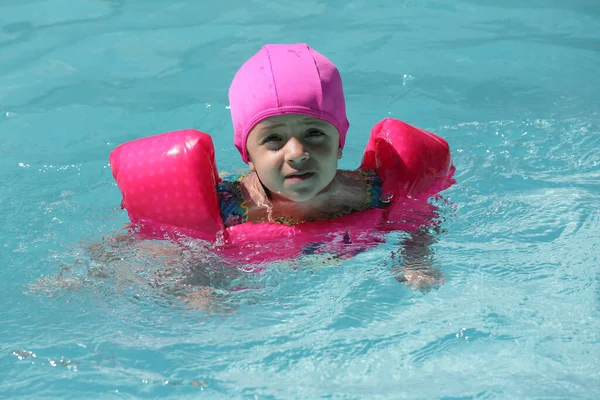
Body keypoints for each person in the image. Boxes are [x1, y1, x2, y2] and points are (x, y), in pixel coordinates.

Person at [217, 43, 384, 228]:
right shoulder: (224, 211)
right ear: (248, 156)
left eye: (314, 133)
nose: (297, 153)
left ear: (339, 144)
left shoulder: (375, 196)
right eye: (273, 138)